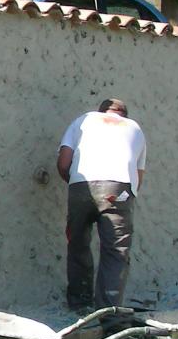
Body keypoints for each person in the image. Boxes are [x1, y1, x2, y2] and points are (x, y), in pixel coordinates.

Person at [57, 97, 147, 312]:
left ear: (102, 111)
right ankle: (108, 313)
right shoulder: (135, 128)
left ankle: (80, 305)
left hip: (81, 184)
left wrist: (75, 185)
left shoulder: (83, 120)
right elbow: (138, 175)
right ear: (123, 114)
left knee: (77, 243)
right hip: (118, 188)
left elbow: (63, 162)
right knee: (115, 252)